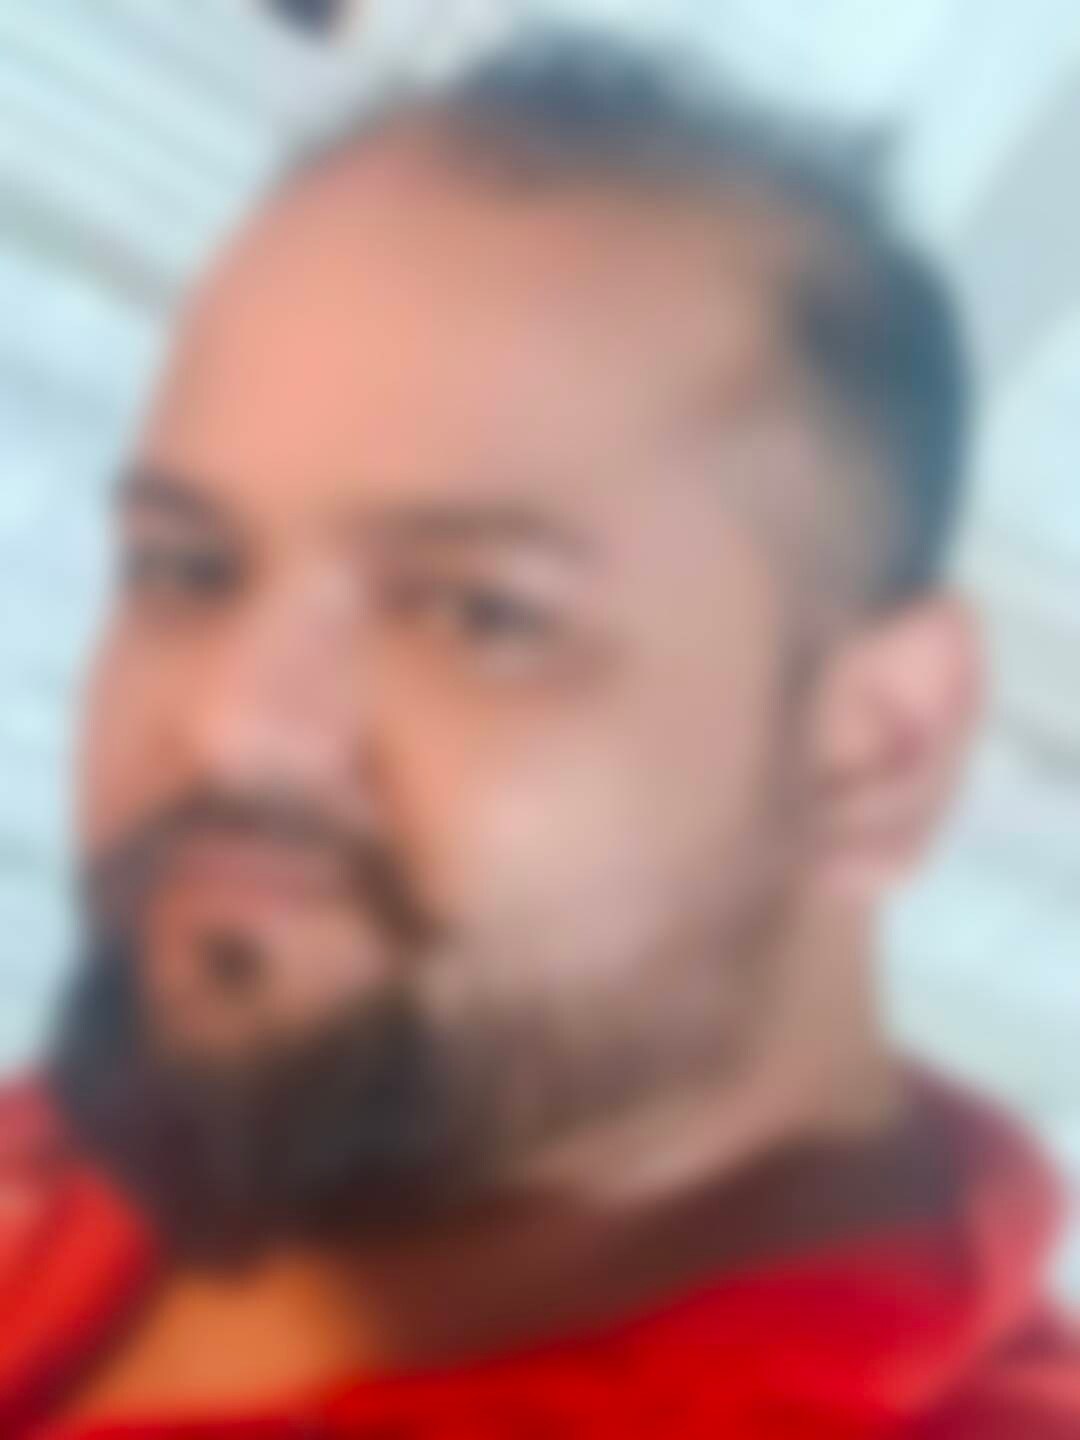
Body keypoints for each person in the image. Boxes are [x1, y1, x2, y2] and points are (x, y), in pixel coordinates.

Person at [1, 33, 1075, 1439]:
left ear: (874, 750)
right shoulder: (277, 1074)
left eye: (477, 613)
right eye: (188, 566)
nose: (231, 730)